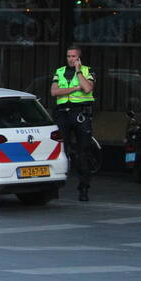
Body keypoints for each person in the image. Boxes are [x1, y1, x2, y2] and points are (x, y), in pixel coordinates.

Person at [51, 46, 95, 202]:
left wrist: (78, 72)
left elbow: (88, 88)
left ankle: (84, 189)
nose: (71, 59)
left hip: (80, 114)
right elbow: (54, 92)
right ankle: (54, 189)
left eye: (74, 56)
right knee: (60, 151)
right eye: (68, 56)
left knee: (84, 152)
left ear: (79, 58)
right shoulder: (60, 71)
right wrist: (76, 87)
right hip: (63, 114)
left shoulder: (87, 71)